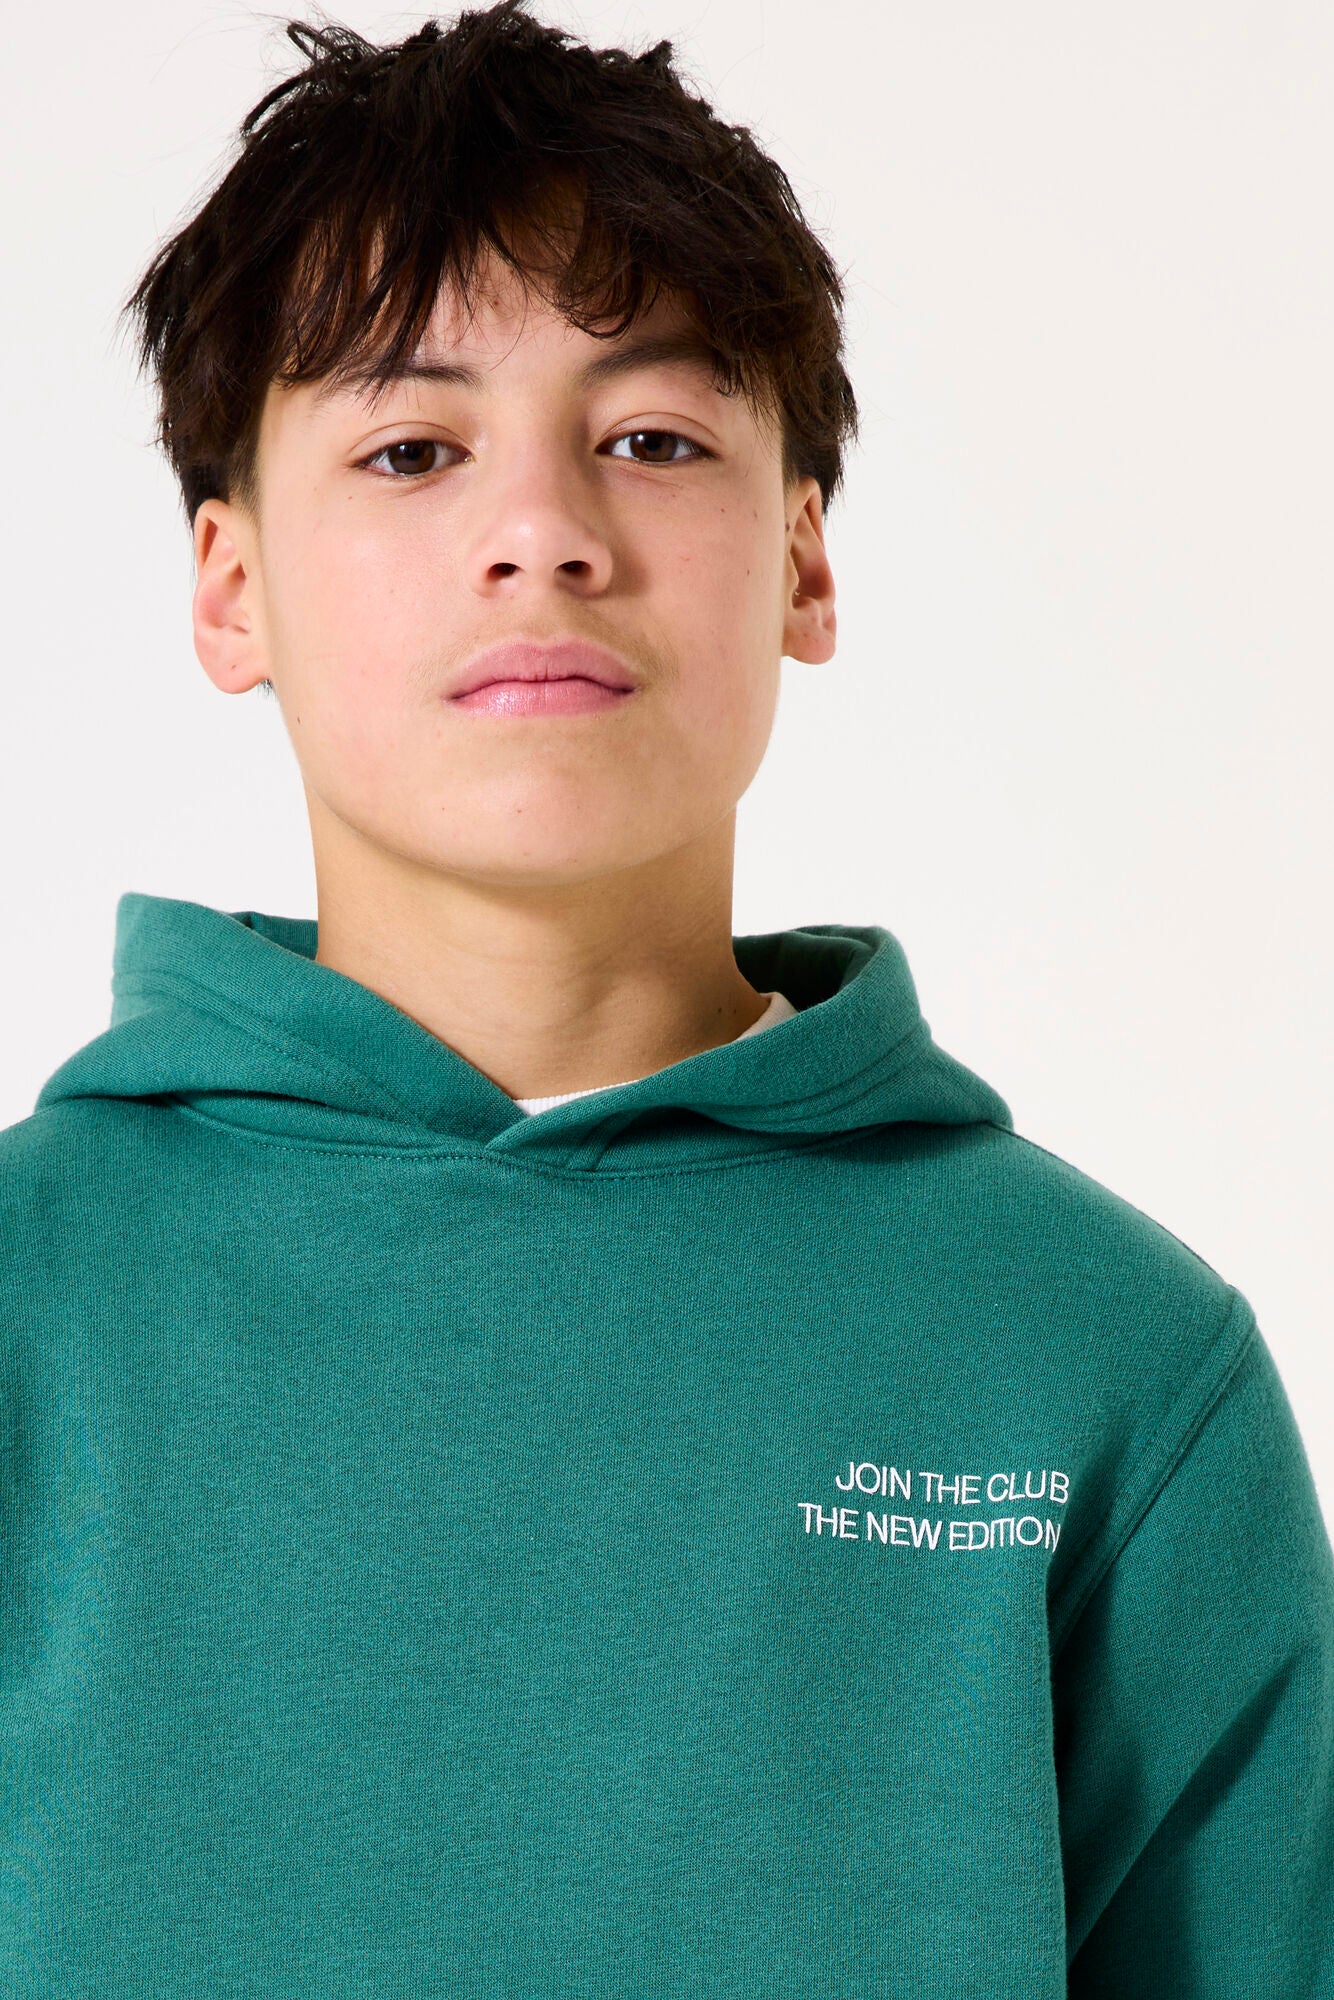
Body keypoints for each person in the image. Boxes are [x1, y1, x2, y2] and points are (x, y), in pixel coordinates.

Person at [3, 3, 1330, 1993]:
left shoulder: (1105, 1360)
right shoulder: (28, 1308)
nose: (541, 534)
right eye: (411, 448)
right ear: (229, 585)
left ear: (800, 562)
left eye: (650, 439)